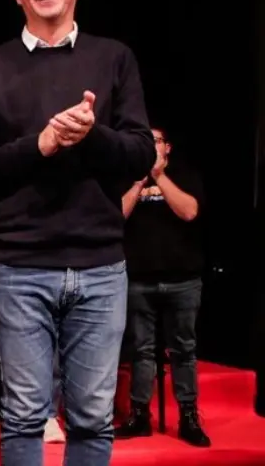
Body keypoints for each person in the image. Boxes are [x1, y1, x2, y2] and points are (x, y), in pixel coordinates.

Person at [0, 0, 156, 466]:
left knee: (91, 418)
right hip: (20, 266)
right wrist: (39, 145)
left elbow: (140, 154)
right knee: (21, 416)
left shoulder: (115, 58)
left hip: (101, 265)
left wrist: (93, 136)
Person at [116, 126, 211, 446]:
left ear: (167, 148)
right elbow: (117, 217)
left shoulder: (185, 175)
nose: (151, 146)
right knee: (141, 351)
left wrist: (160, 178)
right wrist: (141, 180)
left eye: (155, 141)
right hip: (139, 281)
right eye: (146, 142)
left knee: (183, 350)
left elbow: (189, 211)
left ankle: (188, 416)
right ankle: (139, 415)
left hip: (182, 280)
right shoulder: (130, 178)